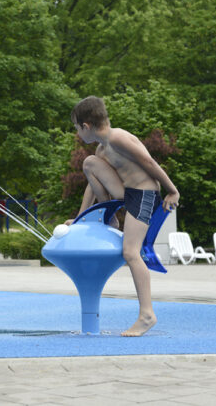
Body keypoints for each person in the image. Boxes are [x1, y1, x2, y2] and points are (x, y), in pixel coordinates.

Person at [65, 96, 180, 337]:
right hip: (126, 194)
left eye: (76, 128)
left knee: (130, 252)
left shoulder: (118, 138)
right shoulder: (102, 148)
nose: (77, 133)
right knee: (90, 163)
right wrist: (80, 218)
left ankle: (147, 314)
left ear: (86, 126)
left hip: (144, 194)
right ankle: (111, 216)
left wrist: (172, 190)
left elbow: (148, 161)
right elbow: (91, 182)